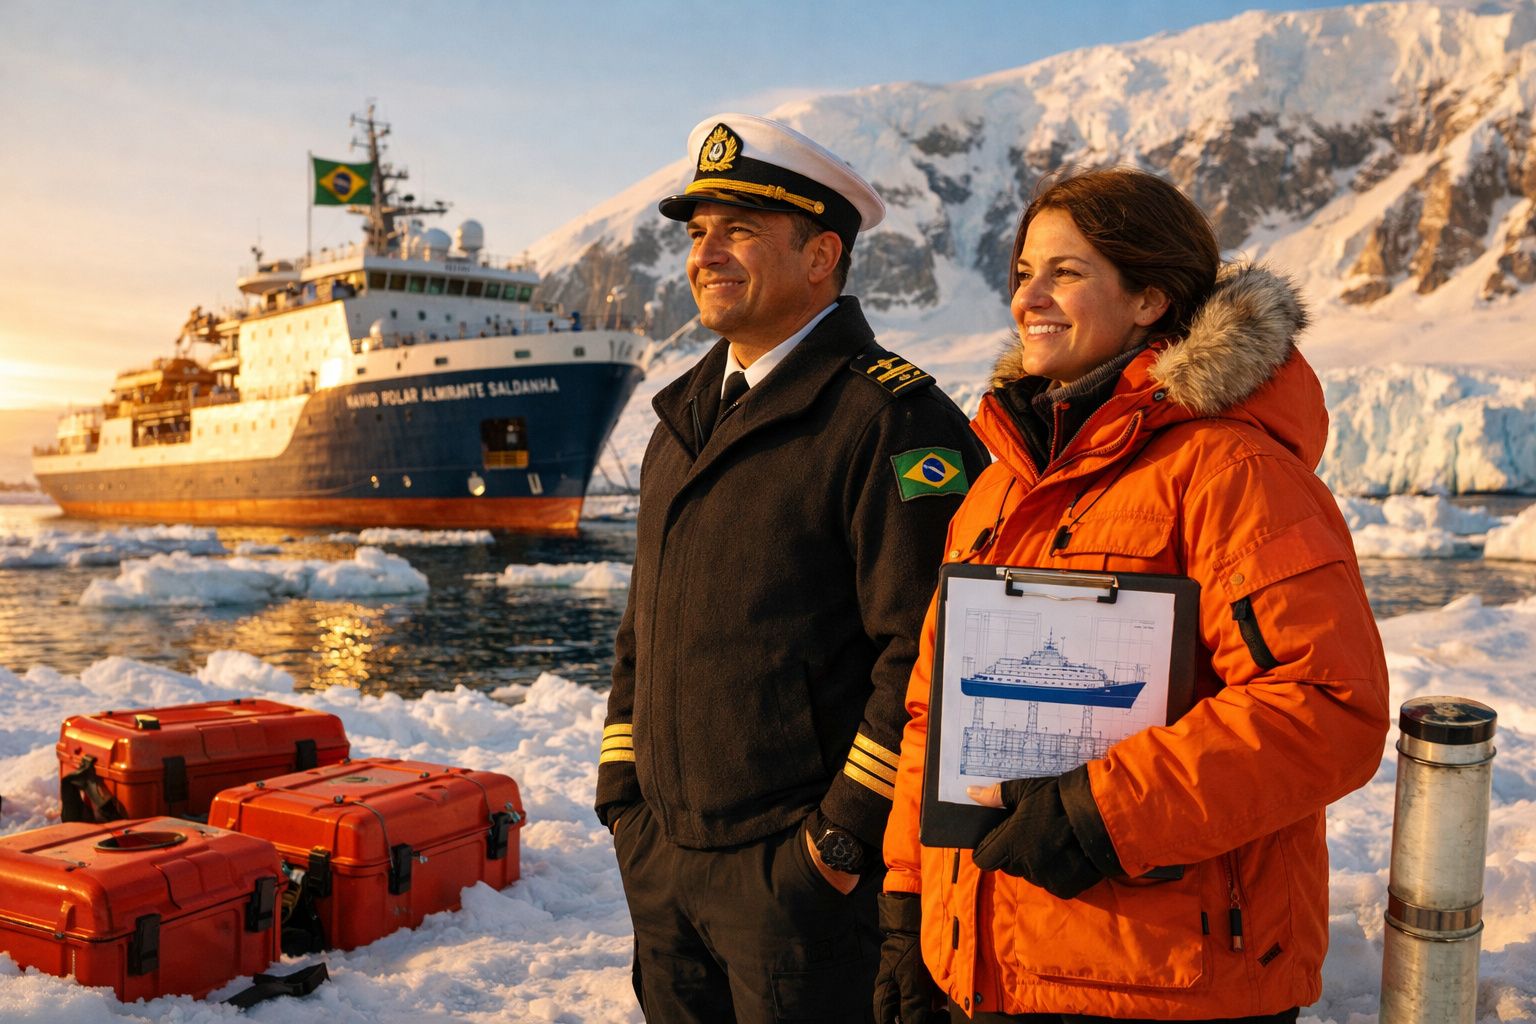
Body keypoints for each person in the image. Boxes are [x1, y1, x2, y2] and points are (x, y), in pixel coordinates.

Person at [874, 168, 1390, 1023]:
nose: (1028, 297)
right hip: (988, 963)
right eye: (1022, 272)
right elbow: (935, 711)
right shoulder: (999, 488)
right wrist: (908, 904)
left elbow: (1326, 705)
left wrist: (1100, 813)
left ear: (1150, 298)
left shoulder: (1231, 473)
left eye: (1066, 273)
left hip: (1167, 982)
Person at [596, 112, 989, 1024]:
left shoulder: (893, 421)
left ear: (821, 257)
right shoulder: (681, 418)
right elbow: (641, 631)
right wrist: (625, 799)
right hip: (667, 873)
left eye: (738, 230)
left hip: (799, 889)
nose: (707, 254)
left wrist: (840, 842)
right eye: (698, 233)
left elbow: (928, 657)